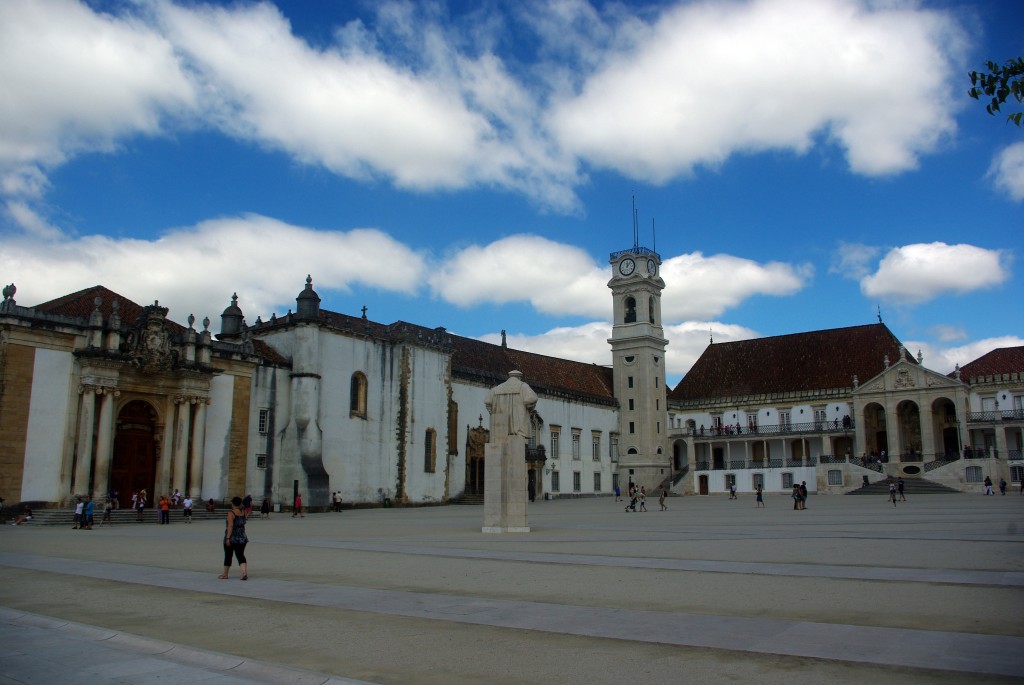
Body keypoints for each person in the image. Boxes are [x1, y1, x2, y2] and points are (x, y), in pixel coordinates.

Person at [219, 496, 249, 581]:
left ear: (233, 503)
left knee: (228, 555)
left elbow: (230, 526)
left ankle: (225, 574)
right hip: (242, 537)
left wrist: (228, 538)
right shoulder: (244, 512)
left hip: (233, 537)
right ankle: (244, 572)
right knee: (240, 555)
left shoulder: (231, 513)